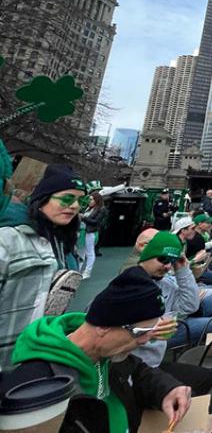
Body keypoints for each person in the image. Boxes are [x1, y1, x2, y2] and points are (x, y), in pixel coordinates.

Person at [3, 267, 192, 433]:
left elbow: (138, 370)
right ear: (103, 326)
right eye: (139, 332)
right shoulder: (37, 388)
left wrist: (168, 389)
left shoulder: (108, 353)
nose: (145, 341)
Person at [0, 160, 87, 370]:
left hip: (37, 358)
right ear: (42, 200)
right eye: (67, 198)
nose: (74, 206)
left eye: (80, 201)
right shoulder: (8, 240)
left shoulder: (67, 244)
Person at [132, 232, 212, 396]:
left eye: (171, 260)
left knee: (205, 377)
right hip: (133, 368)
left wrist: (182, 268)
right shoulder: (131, 281)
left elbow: (190, 305)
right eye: (162, 259)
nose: (167, 265)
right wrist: (149, 331)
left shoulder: (164, 284)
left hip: (153, 362)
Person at [79, 192, 107, 279]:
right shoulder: (88, 208)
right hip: (82, 232)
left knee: (90, 252)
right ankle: (77, 271)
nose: (89, 201)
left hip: (91, 232)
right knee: (81, 252)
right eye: (89, 199)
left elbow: (95, 222)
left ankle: (87, 272)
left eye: (91, 199)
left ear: (96, 200)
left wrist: (83, 217)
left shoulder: (101, 209)